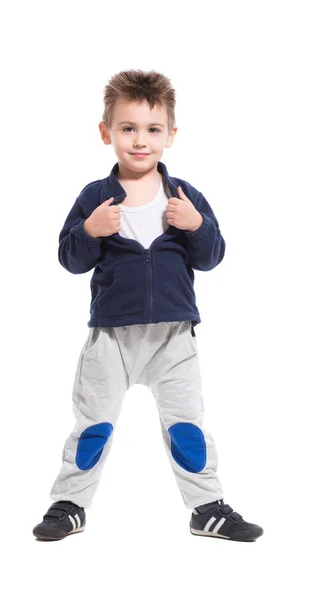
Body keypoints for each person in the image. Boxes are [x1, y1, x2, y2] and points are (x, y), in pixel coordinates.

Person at [32, 69, 263, 543]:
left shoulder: (185, 196)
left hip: (174, 338)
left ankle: (206, 507)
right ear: (106, 132)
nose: (140, 141)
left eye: (153, 129)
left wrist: (196, 224)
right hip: (111, 338)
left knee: (187, 429)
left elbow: (212, 256)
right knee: (93, 424)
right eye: (128, 128)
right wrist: (89, 230)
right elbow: (69, 259)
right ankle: (69, 503)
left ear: (171, 135)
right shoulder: (95, 198)